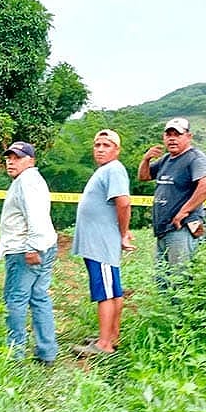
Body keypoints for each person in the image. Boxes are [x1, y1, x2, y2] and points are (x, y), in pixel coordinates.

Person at [70, 129, 135, 356]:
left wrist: (123, 233)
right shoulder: (106, 171)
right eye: (97, 145)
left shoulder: (114, 169)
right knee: (113, 291)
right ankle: (110, 336)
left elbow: (124, 203)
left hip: (102, 244)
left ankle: (104, 345)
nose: (100, 149)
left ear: (117, 150)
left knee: (105, 293)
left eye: (106, 145)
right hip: (98, 243)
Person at [0, 141, 58, 365]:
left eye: (17, 157)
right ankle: (47, 352)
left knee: (15, 299)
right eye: (9, 157)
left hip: (26, 250)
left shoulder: (27, 182)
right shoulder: (29, 180)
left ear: (30, 160)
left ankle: (15, 354)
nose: (11, 162)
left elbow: (35, 216)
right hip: (42, 245)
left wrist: (32, 247)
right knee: (39, 297)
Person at [138, 117, 206, 288]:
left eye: (177, 134)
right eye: (169, 134)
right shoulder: (166, 159)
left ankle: (182, 313)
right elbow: (143, 177)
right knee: (162, 281)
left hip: (181, 228)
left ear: (188, 136)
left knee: (180, 281)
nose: (172, 138)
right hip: (164, 229)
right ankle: (166, 313)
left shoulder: (195, 158)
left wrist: (184, 212)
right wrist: (146, 159)